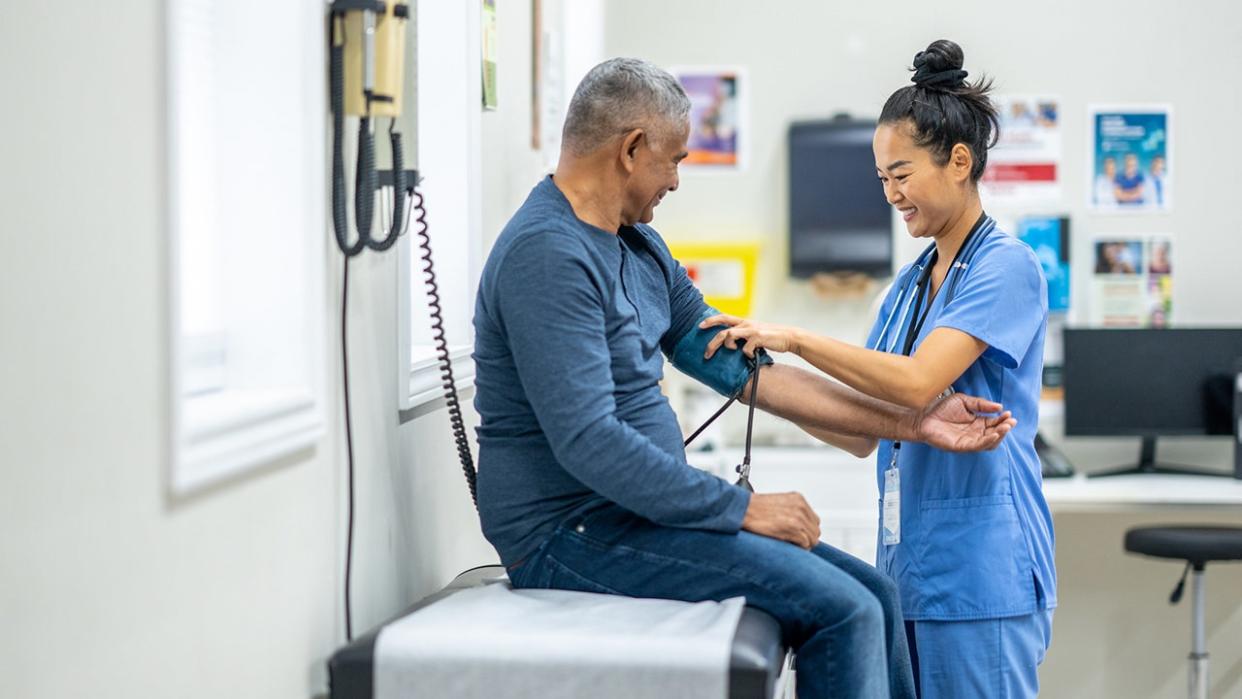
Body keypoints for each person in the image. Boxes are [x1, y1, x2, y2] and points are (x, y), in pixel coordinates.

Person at [472, 57, 1017, 699]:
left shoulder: (639, 249)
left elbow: (751, 372)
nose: (675, 182)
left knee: (875, 591)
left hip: (634, 514)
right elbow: (589, 442)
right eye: (672, 160)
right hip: (571, 533)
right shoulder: (548, 255)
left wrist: (914, 423)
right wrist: (743, 509)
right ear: (631, 149)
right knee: (844, 611)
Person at [701, 40, 1055, 699]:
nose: (890, 194)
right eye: (882, 179)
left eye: (901, 174)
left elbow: (919, 383)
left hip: (980, 573)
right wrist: (756, 382)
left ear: (958, 161)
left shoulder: (1006, 267)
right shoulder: (910, 284)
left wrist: (799, 338)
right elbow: (864, 428)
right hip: (911, 569)